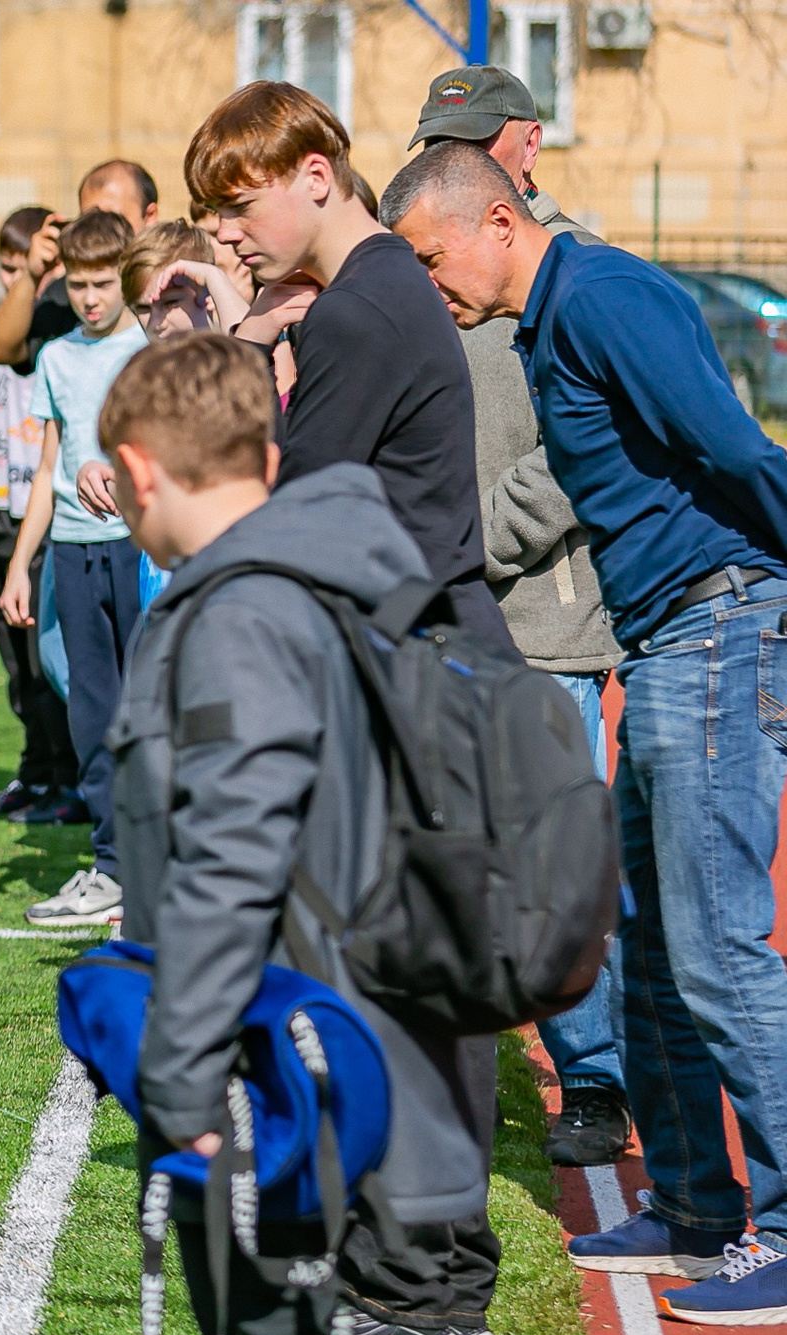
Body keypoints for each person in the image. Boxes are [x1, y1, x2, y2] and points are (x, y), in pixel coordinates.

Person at [382, 141, 787, 1323]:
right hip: (662, 643)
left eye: (428, 257)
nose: (426, 285)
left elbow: (731, 448)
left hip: (716, 630)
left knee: (716, 944)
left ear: (497, 220)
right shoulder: (548, 319)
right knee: (648, 940)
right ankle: (697, 1205)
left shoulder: (604, 295)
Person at [110, 333, 491, 1335]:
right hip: (327, 1034)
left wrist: (176, 1074)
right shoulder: (319, 567)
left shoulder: (240, 608)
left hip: (274, 1061)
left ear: (136, 467)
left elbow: (236, 850)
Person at [396, 105, 628, 1168]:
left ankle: (593, 1077)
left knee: (558, 868)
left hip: (545, 621)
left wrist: (474, 534)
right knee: (457, 860)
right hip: (448, 617)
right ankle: (467, 1069)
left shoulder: (571, 277)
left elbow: (582, 447)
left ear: (520, 144)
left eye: (479, 133)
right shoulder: (427, 269)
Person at [189, 82, 515, 654]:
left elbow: (287, 510)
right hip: (428, 633)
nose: (224, 231)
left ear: (316, 177)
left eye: (241, 207)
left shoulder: (356, 311)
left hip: (419, 655)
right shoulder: (387, 276)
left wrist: (248, 347)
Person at [0, 210, 150, 927]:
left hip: (140, 547)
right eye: (79, 286)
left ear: (125, 277)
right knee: (92, 716)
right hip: (71, 547)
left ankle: (160, 868)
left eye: (102, 284)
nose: (90, 299)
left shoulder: (151, 344)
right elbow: (49, 464)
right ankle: (112, 868)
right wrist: (20, 565)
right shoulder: (56, 356)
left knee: (150, 709)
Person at [0, 206, 84, 826]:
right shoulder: (15, 308)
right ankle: (37, 772)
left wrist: (45, 277)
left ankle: (66, 778)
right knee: (17, 664)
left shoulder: (64, 314)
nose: (20, 277)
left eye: (30, 264)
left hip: (38, 508)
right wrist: (24, 278)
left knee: (47, 663)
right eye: (8, 266)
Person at [0, 159, 159, 369]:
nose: (101, 230)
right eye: (90, 219)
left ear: (150, 216)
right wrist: (31, 275)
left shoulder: (174, 285)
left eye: (114, 218)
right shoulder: (70, 293)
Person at [407, 64, 595, 239]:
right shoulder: (415, 253)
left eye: (474, 142)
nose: (454, 162)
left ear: (530, 145)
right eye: (438, 145)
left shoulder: (579, 260)